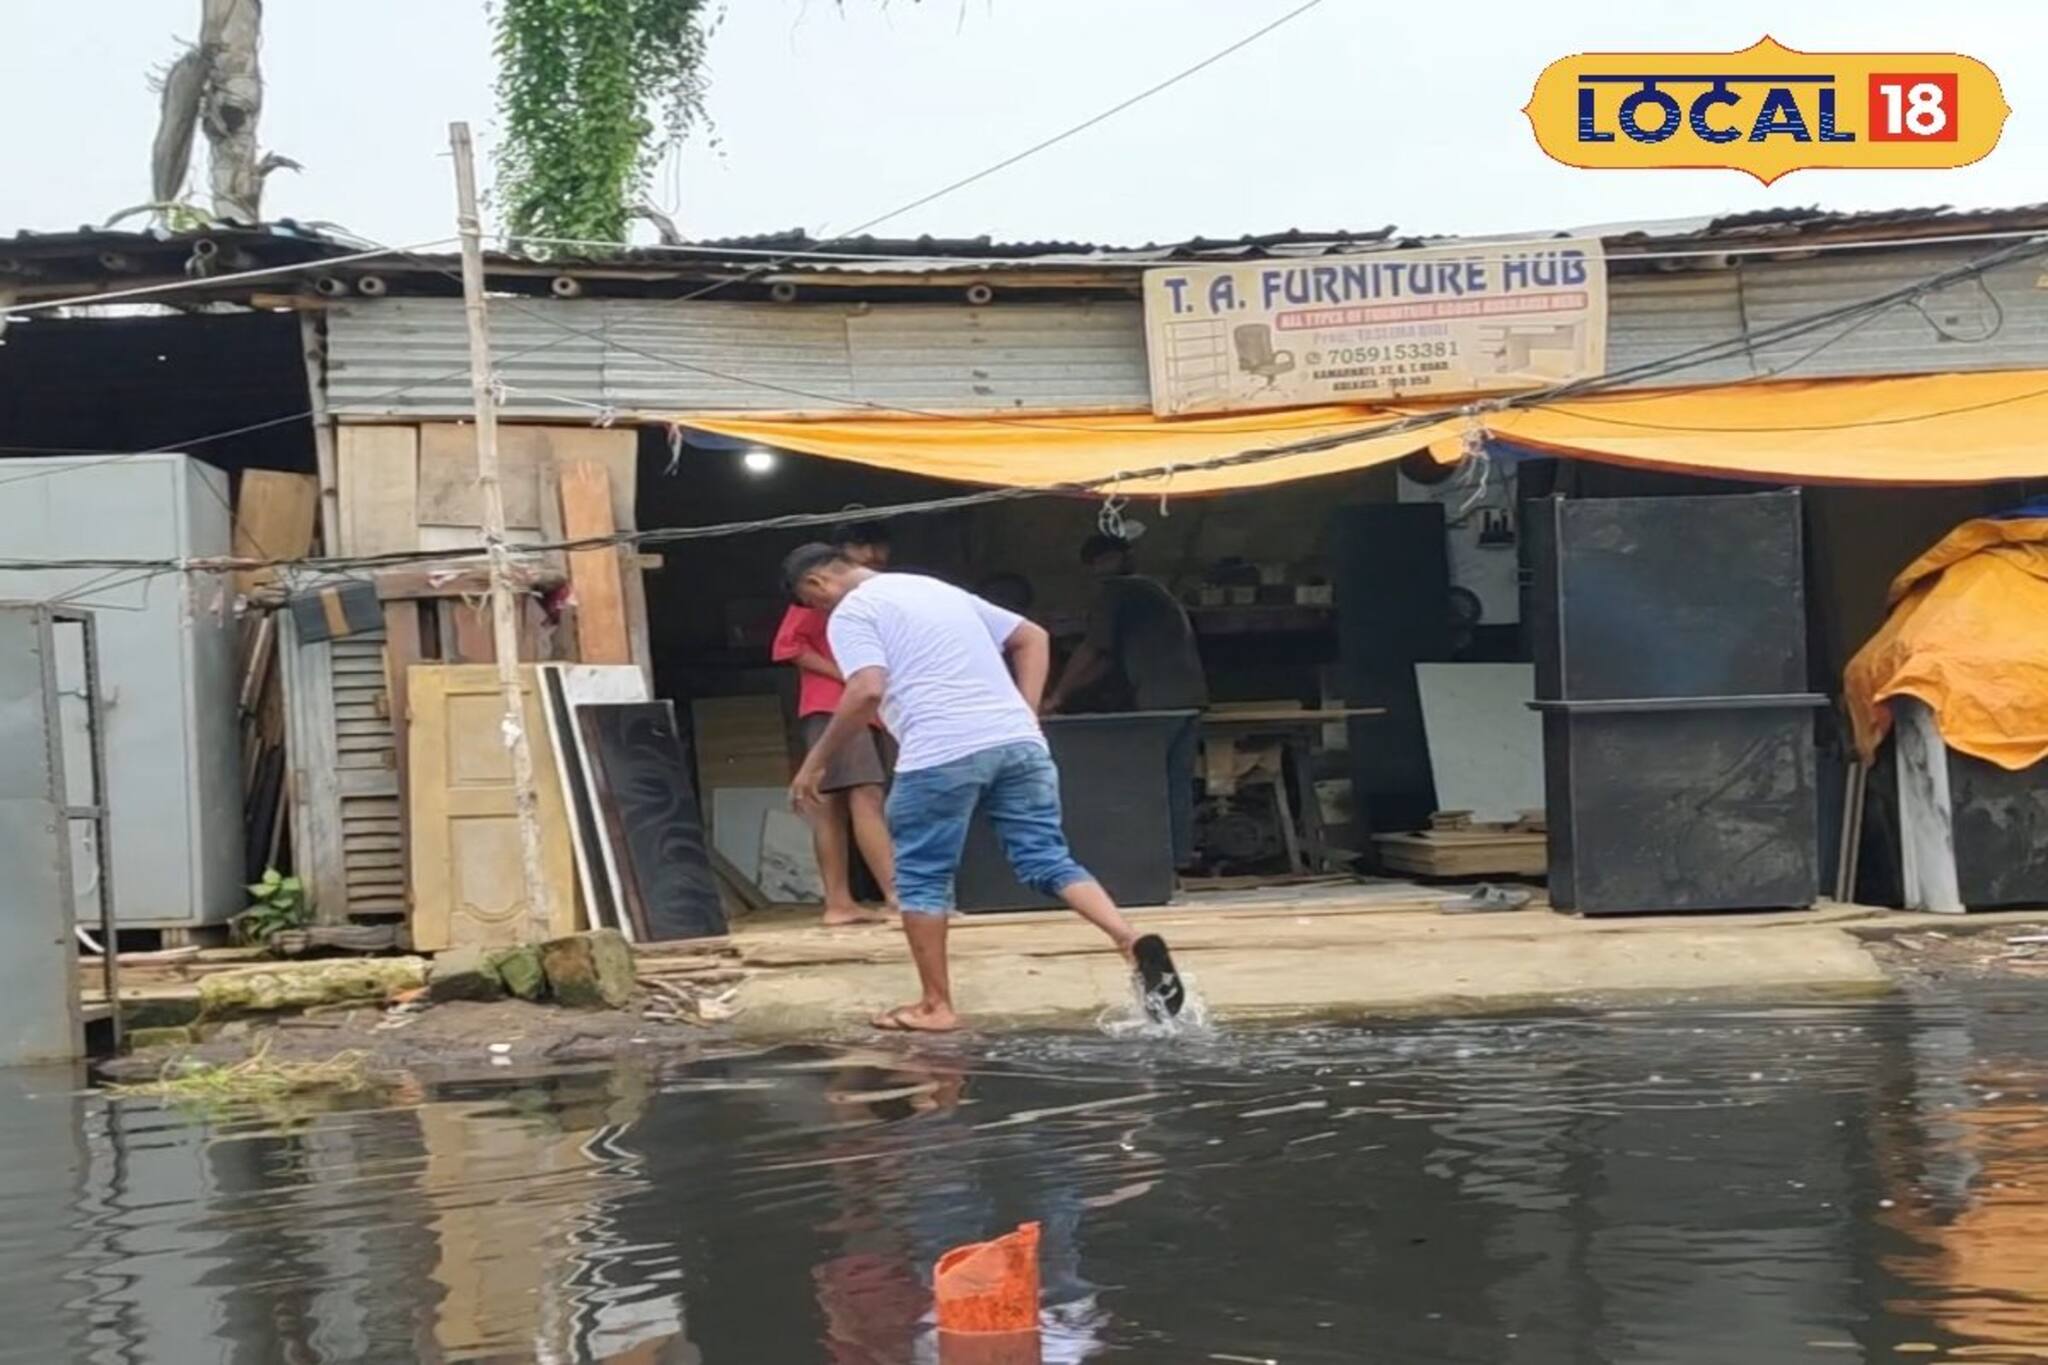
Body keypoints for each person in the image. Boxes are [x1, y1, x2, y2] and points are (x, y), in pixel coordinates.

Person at [783, 542, 1182, 1032]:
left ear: (817, 584)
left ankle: (935, 1006)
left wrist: (816, 763)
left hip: (941, 751)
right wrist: (1025, 713)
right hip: (1019, 743)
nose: (821, 611)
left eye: (814, 603)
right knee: (1046, 857)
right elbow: (1032, 637)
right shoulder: (935, 589)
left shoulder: (852, 612)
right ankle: (1128, 938)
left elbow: (866, 688)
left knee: (921, 879)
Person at [1043, 534, 1209, 870]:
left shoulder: (1118, 591)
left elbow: (1094, 651)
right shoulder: (1152, 589)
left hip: (1159, 699)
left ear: (1096, 565)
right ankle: (1176, 859)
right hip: (1189, 697)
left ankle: (1145, 865)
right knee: (1173, 780)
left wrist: (1055, 697)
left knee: (1143, 780)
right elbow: (1105, 660)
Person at [770, 523, 900, 926]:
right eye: (864, 546)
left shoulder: (867, 596)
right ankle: (899, 897)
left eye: (879, 544)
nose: (873, 555)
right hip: (837, 705)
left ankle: (840, 903)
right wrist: (845, 675)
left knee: (830, 806)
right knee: (866, 797)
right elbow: (787, 647)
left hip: (857, 707)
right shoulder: (815, 599)